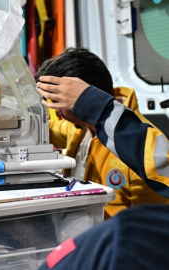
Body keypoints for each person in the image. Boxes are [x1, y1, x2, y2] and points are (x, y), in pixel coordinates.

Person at [36, 75, 169, 270]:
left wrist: (94, 106)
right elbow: (51, 128)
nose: (60, 115)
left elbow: (148, 237)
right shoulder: (81, 131)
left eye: (59, 103)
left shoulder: (127, 152)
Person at [34, 48, 169, 218]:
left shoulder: (136, 151)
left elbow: (151, 228)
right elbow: (47, 130)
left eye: (57, 102)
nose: (57, 112)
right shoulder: (81, 130)